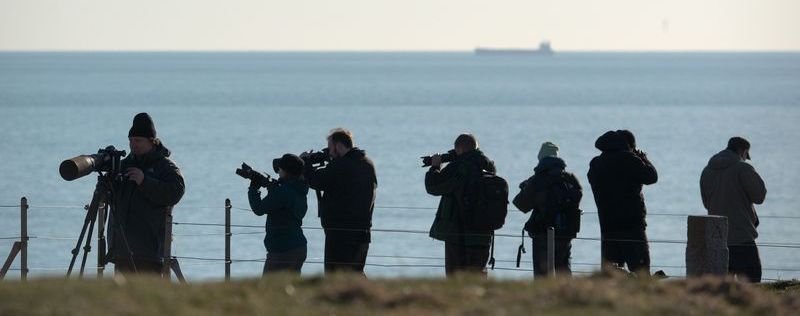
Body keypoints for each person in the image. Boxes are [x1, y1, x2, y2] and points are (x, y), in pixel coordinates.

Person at [109, 112, 185, 275]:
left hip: (150, 252)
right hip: (122, 250)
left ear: (152, 141)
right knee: (122, 299)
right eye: (130, 140)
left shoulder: (165, 166)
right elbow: (110, 198)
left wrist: (145, 181)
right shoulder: (122, 165)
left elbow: (176, 192)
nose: (133, 145)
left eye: (138, 140)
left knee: (149, 297)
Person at [302, 128, 377, 274]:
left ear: (338, 146)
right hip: (363, 232)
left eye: (330, 147)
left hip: (340, 234)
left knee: (335, 276)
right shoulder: (367, 163)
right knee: (356, 275)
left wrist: (305, 162)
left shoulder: (341, 165)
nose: (329, 152)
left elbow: (316, 181)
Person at [588, 130, 657, 275]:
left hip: (607, 227)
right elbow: (652, 177)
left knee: (611, 276)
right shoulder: (630, 159)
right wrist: (643, 158)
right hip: (632, 227)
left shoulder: (596, 164)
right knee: (641, 273)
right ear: (629, 145)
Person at [425, 134, 495, 276]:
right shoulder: (489, 167)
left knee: (455, 278)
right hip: (483, 233)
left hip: (458, 234)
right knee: (478, 276)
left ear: (460, 149)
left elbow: (433, 186)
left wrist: (435, 167)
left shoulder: (458, 167)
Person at [700, 136, 767, 282]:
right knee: (752, 282)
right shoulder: (743, 168)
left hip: (718, 236)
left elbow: (706, 203)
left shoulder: (707, 170)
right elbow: (759, 196)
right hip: (742, 237)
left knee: (722, 286)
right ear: (743, 151)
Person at [513, 142, 582, 277]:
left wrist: (526, 187)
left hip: (542, 233)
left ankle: (545, 298)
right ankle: (569, 296)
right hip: (566, 233)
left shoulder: (538, 180)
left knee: (542, 275)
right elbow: (577, 198)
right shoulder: (570, 178)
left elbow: (520, 205)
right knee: (564, 272)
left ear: (541, 158)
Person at [248, 154, 309, 275]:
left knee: (268, 290)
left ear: (286, 171)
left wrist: (253, 188)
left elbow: (259, 209)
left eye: (280, 169)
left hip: (282, 250)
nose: (278, 171)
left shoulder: (283, 192)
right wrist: (274, 189)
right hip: (299, 247)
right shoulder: (300, 188)